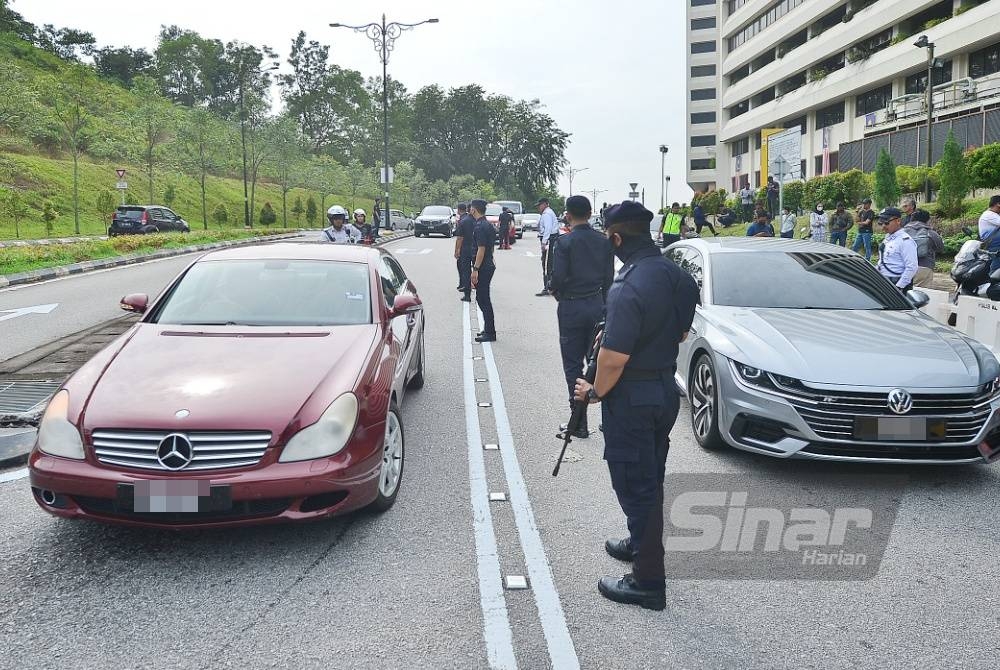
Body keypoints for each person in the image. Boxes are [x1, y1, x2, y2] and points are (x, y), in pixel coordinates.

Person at [573, 200, 698, 611]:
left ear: (615, 237)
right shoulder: (678, 277)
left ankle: (647, 581)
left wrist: (593, 394)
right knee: (651, 475)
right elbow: (681, 334)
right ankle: (639, 542)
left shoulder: (628, 286)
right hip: (664, 391)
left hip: (632, 397)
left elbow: (612, 359)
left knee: (634, 483)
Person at [549, 195, 613, 440]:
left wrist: (556, 291)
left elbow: (558, 278)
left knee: (573, 366)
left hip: (572, 307)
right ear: (590, 212)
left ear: (568, 214)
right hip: (597, 304)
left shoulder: (564, 242)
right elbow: (609, 278)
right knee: (600, 362)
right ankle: (609, 421)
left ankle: (579, 422)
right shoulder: (603, 241)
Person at [470, 199, 497, 342]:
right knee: (482, 298)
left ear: (474, 210)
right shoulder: (487, 225)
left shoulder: (480, 226)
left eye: (471, 208)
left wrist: (475, 269)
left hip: (483, 267)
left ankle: (490, 332)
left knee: (483, 299)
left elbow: (481, 249)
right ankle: (488, 329)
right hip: (487, 264)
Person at [876, 207, 918, 291]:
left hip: (897, 284)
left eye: (887, 222)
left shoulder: (905, 241)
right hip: (884, 281)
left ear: (898, 221)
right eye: (881, 223)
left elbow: (911, 267)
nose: (883, 226)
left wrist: (898, 287)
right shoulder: (888, 238)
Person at [903, 209, 945, 288]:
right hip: (924, 267)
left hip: (903, 266)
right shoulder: (930, 233)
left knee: (901, 293)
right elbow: (941, 248)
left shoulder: (902, 232)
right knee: (920, 294)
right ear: (927, 220)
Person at [536, 197, 560, 296]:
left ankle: (547, 287)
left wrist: (544, 242)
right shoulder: (549, 212)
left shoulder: (547, 214)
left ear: (545, 204)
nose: (539, 208)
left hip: (549, 240)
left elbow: (548, 229)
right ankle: (551, 286)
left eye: (540, 205)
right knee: (550, 263)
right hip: (552, 239)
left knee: (546, 264)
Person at [454, 203, 476, 302]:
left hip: (465, 249)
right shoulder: (479, 221)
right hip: (477, 249)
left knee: (466, 271)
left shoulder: (464, 221)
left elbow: (459, 238)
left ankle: (467, 295)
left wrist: (457, 250)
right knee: (478, 270)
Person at [978, 195, 1000, 274]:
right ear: (998, 204)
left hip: (994, 243)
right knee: (996, 266)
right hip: (994, 244)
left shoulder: (994, 214)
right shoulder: (989, 215)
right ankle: (992, 284)